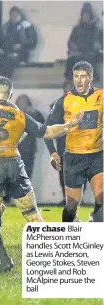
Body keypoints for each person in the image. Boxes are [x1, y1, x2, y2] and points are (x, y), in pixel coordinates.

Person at [0, 77, 83, 274]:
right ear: (10, 95)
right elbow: (47, 132)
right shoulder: (19, 115)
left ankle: (5, 261)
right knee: (33, 216)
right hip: (15, 165)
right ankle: (55, 259)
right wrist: (70, 124)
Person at [45, 61, 103, 222]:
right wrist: (53, 153)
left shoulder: (101, 96)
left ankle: (95, 227)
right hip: (73, 158)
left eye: (83, 76)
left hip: (97, 156)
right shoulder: (64, 101)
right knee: (71, 205)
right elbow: (47, 128)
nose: (78, 80)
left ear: (90, 78)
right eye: (76, 76)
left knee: (102, 199)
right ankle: (69, 237)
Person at [15, 94, 44, 178]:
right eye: (20, 103)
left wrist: (33, 112)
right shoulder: (13, 115)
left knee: (27, 176)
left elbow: (42, 125)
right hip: (13, 152)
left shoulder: (33, 115)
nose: (22, 105)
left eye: (24, 103)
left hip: (28, 151)